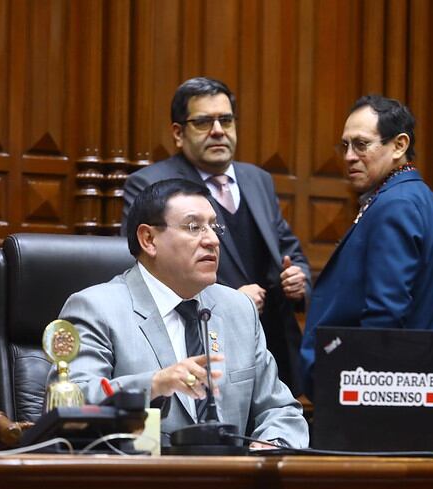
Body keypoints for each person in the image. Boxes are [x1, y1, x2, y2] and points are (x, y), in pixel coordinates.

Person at [52, 179, 308, 448]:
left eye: (213, 226)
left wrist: (271, 443)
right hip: (138, 483)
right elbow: (72, 402)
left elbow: (282, 410)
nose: (211, 240)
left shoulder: (238, 309)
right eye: (194, 227)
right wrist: (154, 384)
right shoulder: (95, 309)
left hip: (231, 482)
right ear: (149, 239)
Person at [121, 77, 310, 396]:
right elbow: (144, 271)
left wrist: (298, 277)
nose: (219, 130)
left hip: (273, 347)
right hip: (200, 342)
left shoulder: (258, 179)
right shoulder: (149, 184)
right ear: (178, 134)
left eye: (226, 120)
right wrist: (232, 301)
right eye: (204, 122)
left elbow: (288, 249)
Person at [299, 94, 433, 396]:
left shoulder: (394, 205)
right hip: (419, 384)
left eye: (361, 145)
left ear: (399, 145)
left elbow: (384, 316)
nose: (348, 156)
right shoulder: (423, 200)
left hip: (377, 391)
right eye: (344, 145)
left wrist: (361, 394)